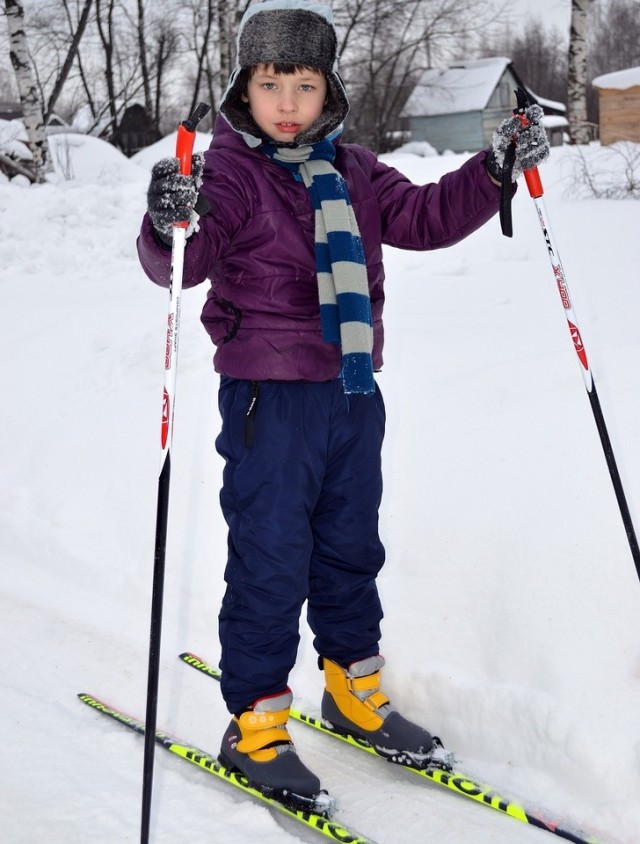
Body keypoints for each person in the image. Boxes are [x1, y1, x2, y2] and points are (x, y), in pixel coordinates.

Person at [138, 0, 549, 807]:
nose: (287, 102)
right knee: (272, 558)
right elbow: (177, 266)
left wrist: (493, 167)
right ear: (242, 92)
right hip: (269, 404)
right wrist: (167, 220)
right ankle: (254, 721)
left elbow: (425, 218)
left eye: (304, 83)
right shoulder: (226, 175)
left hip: (353, 395)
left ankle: (352, 686)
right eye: (269, 83)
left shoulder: (356, 171)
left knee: (350, 548)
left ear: (330, 92)